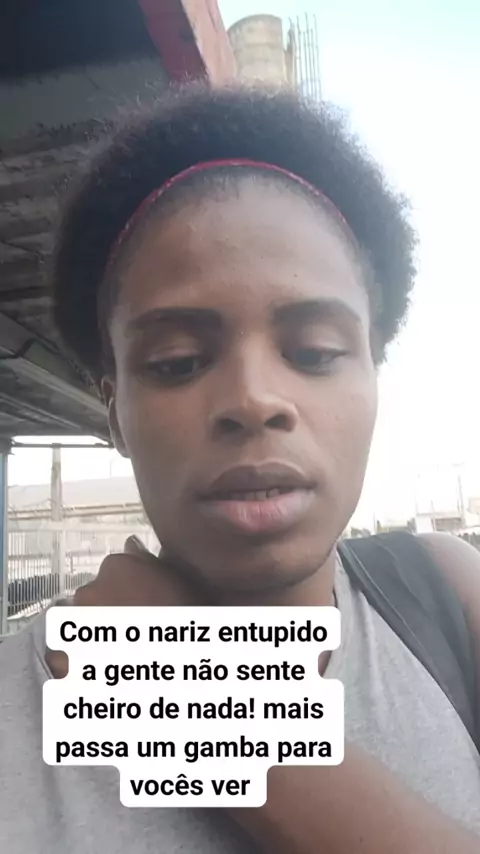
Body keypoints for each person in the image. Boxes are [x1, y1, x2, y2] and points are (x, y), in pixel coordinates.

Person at [1, 83, 479, 854]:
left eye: (315, 352)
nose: (253, 400)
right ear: (114, 412)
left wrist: (203, 703)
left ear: (372, 375)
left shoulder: (450, 596)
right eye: (177, 361)